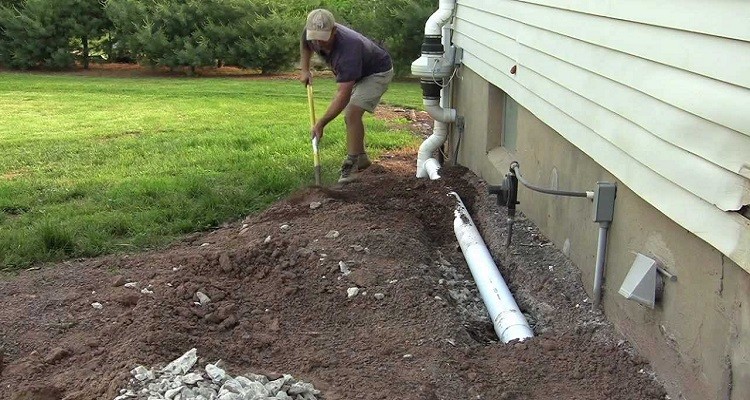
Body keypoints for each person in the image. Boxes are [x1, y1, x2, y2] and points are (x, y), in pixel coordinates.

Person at [299, 9, 394, 183]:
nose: (318, 43)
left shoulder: (349, 47)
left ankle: (352, 162)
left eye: (323, 37)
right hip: (358, 71)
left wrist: (321, 124)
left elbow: (343, 95)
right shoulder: (311, 33)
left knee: (351, 113)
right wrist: (305, 69)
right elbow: (306, 44)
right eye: (315, 37)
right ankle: (362, 159)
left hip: (376, 72)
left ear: (334, 31)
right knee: (352, 114)